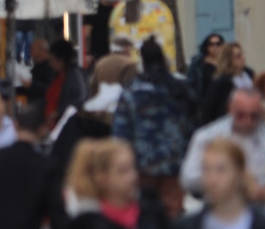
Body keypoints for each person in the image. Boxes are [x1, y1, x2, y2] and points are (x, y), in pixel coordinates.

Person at [111, 36, 193, 217]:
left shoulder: (132, 90)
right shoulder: (179, 88)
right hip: (175, 162)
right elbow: (192, 124)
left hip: (142, 163)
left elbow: (121, 131)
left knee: (145, 212)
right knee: (173, 209)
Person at [56, 138, 170, 229]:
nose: (132, 176)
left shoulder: (151, 210)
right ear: (102, 178)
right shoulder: (89, 226)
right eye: (123, 171)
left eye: (133, 168)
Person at [170, 138, 265, 229]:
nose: (212, 179)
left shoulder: (260, 228)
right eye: (206, 169)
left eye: (221, 170)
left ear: (240, 174)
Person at [182, 88, 265, 197]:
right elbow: (188, 178)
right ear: (230, 109)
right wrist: (226, 182)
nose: (247, 121)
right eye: (240, 115)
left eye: (254, 116)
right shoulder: (207, 136)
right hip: (219, 204)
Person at [202, 41, 256, 126]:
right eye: (238, 56)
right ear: (229, 60)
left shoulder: (249, 74)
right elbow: (210, 109)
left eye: (242, 54)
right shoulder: (222, 82)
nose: (243, 57)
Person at [46, 39, 88, 124]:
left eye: (52, 59)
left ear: (61, 60)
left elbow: (80, 99)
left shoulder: (74, 76)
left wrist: (59, 112)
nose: (50, 63)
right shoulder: (56, 76)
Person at [187, 32, 226, 106]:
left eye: (218, 44)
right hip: (205, 103)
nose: (215, 47)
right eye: (211, 44)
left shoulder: (227, 61)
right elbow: (190, 83)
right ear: (207, 46)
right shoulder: (198, 63)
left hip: (224, 102)